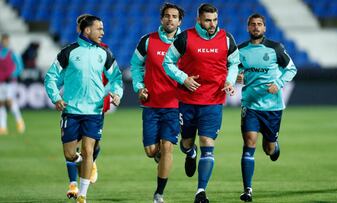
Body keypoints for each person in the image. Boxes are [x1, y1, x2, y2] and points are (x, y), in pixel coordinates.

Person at [163, 3, 240, 202]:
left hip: (213, 101)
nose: (212, 24)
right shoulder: (185, 38)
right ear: (198, 20)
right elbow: (167, 62)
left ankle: (201, 191)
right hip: (187, 101)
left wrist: (230, 81)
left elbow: (234, 64)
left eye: (215, 20)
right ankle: (190, 152)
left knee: (207, 142)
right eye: (208, 20)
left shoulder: (226, 38)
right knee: (186, 142)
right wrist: (183, 78)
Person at [44, 15, 123, 203]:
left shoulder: (104, 53)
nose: (103, 32)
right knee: (71, 154)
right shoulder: (69, 52)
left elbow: (117, 78)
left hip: (94, 111)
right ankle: (85, 165)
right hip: (71, 110)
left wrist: (117, 93)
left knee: (89, 151)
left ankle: (82, 195)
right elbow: (51, 77)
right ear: (87, 30)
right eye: (99, 29)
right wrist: (55, 97)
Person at [237, 13, 297, 202]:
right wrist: (236, 76)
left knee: (269, 149)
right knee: (249, 143)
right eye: (253, 24)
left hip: (272, 107)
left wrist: (278, 83)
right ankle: (247, 190)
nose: (256, 27)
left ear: (264, 28)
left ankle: (274, 146)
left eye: (259, 24)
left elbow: (292, 69)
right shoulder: (240, 50)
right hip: (251, 105)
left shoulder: (275, 48)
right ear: (248, 28)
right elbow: (233, 70)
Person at [130, 3, 184, 203]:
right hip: (151, 104)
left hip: (175, 104)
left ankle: (159, 194)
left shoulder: (186, 41)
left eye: (175, 16)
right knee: (152, 151)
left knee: (167, 146)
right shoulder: (147, 41)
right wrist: (139, 87)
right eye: (167, 16)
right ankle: (164, 155)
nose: (171, 19)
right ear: (162, 19)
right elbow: (135, 65)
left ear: (180, 21)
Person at [0, 33, 25, 135]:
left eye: (6, 40)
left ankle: (19, 121)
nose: (5, 42)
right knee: (1, 104)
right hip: (1, 82)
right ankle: (3, 127)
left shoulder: (12, 53)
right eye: (4, 40)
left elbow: (20, 67)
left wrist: (13, 74)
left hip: (10, 82)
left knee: (9, 102)